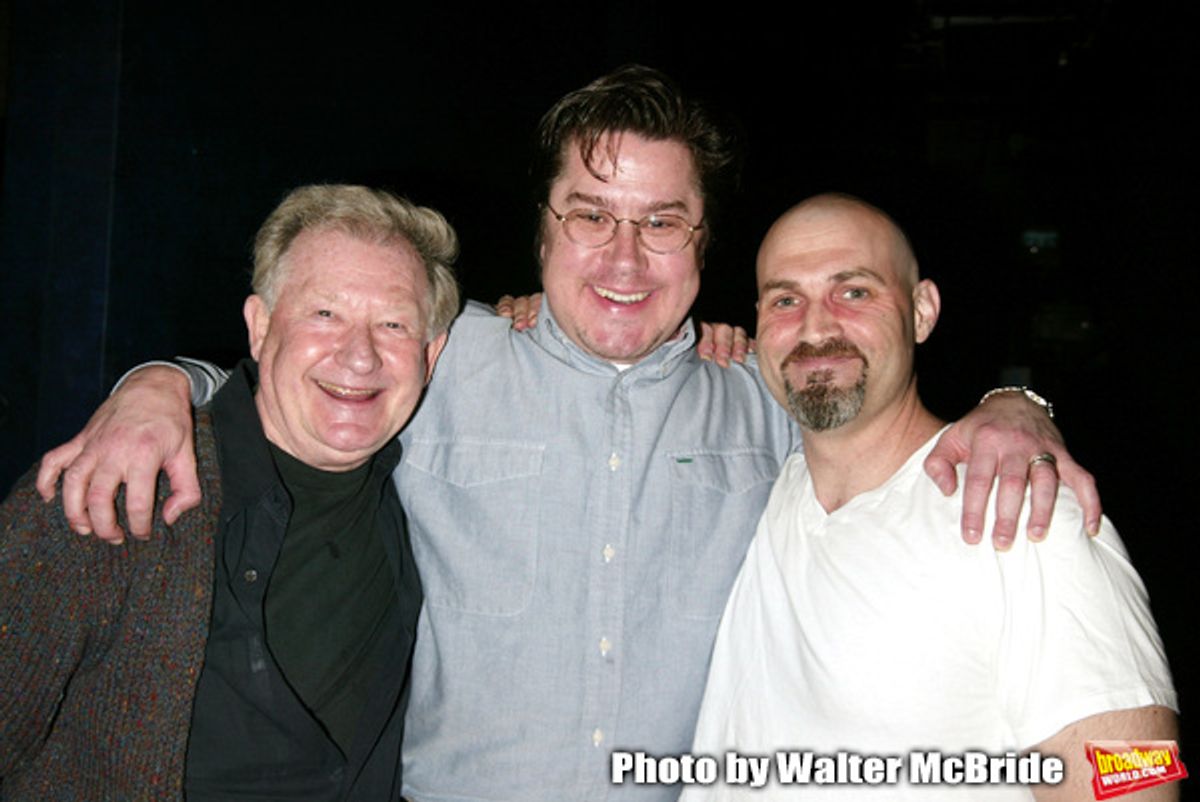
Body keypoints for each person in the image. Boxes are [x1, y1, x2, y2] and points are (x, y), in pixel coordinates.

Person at [35, 68, 1100, 802]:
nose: (623, 259)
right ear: (541, 226)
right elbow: (301, 385)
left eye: (661, 221)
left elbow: (1137, 761)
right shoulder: (447, 363)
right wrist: (159, 386)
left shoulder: (804, 427)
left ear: (703, 242)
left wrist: (1018, 410)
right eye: (590, 214)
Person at [686, 194, 1178, 801]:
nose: (815, 326)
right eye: (787, 299)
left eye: (855, 291)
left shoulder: (1028, 511)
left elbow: (1137, 781)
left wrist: (1022, 400)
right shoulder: (762, 485)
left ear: (922, 311)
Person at [1, 184, 460, 801]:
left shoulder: (428, 495)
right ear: (260, 326)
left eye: (394, 323)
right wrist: (156, 380)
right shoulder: (112, 489)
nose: (360, 355)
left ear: (431, 355)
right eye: (324, 314)